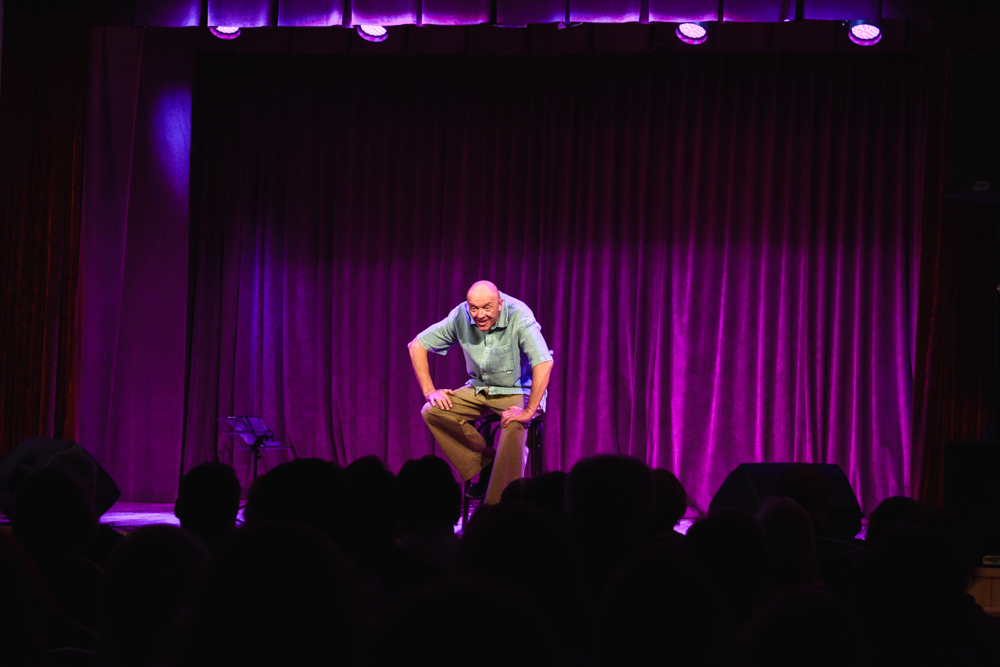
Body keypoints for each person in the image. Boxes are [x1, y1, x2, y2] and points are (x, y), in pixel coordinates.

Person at [408, 280, 553, 506]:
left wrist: (528, 411)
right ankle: (488, 463)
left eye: (487, 308)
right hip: (480, 388)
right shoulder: (461, 315)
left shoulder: (519, 315)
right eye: (474, 308)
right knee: (433, 411)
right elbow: (416, 345)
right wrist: (430, 391)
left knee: (513, 424)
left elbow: (544, 362)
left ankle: (499, 507)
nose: (480, 315)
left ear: (500, 304)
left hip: (517, 390)